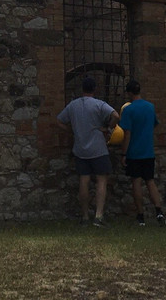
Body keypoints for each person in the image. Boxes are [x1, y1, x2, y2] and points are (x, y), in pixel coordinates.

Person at [56, 76, 119, 226]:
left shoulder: (73, 106)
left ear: (82, 89)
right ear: (94, 89)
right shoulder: (99, 104)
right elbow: (116, 115)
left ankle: (84, 217)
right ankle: (98, 216)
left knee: (83, 181)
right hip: (98, 148)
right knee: (101, 180)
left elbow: (59, 121)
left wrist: (72, 131)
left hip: (80, 149)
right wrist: (108, 128)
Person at [117, 79, 166, 227]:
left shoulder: (128, 110)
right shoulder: (150, 107)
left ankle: (140, 216)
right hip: (148, 151)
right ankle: (159, 211)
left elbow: (127, 134)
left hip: (134, 152)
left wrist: (123, 154)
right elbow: (155, 124)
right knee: (150, 181)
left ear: (129, 93)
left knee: (136, 182)